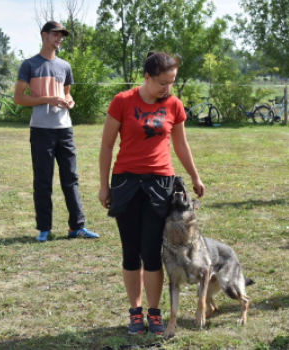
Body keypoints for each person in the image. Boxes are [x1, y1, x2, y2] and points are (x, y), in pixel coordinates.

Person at [98, 51, 205, 335]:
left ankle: (155, 312)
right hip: (126, 185)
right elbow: (107, 146)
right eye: (162, 82)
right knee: (130, 252)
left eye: (171, 82)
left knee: (152, 253)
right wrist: (103, 185)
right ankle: (135, 312)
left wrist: (194, 176)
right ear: (146, 77)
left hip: (160, 186)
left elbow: (181, 145)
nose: (167, 88)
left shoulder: (174, 105)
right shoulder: (122, 102)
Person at [14, 21, 99, 241]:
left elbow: (67, 94)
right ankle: (44, 228)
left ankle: (76, 227)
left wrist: (69, 102)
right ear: (44, 35)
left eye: (61, 35)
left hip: (65, 130)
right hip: (41, 130)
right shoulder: (29, 64)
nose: (59, 38)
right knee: (43, 179)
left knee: (71, 178)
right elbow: (18, 98)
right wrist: (49, 99)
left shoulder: (65, 66)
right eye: (55, 34)